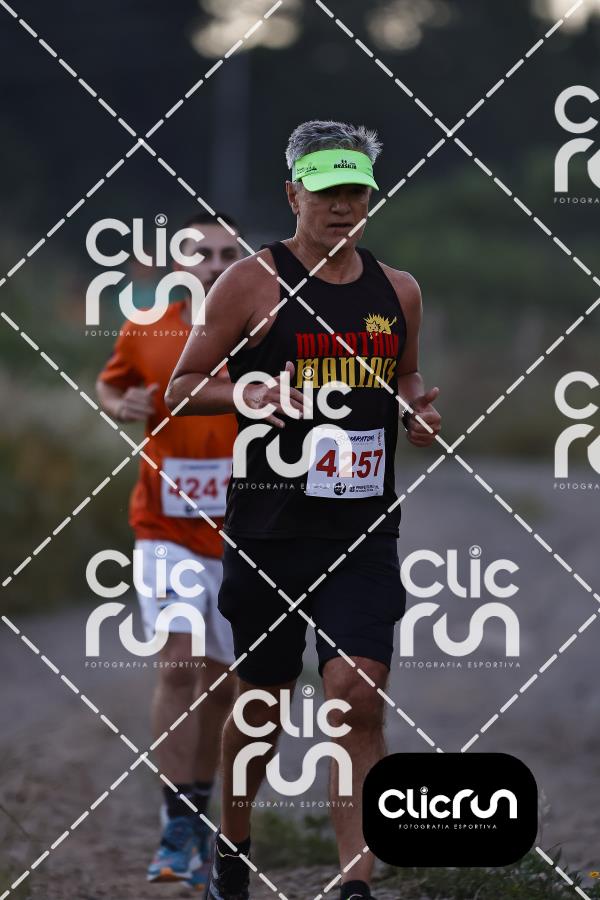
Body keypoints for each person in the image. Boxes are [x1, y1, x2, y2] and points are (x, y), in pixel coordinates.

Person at [165, 121, 441, 900]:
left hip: (361, 529)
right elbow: (181, 387)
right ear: (293, 194)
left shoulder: (400, 290)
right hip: (268, 529)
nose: (342, 206)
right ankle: (233, 846)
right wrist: (245, 391)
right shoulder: (249, 283)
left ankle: (355, 881)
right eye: (326, 193)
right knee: (263, 703)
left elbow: (406, 378)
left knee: (358, 695)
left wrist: (416, 413)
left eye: (355, 192)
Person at [96, 211, 243, 890]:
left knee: (223, 685)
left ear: (243, 263)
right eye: (201, 253)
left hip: (243, 534)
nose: (214, 265)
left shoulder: (264, 330)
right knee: (178, 664)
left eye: (228, 254)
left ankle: (199, 805)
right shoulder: (147, 327)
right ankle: (177, 826)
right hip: (164, 526)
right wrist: (118, 404)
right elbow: (113, 382)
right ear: (178, 264)